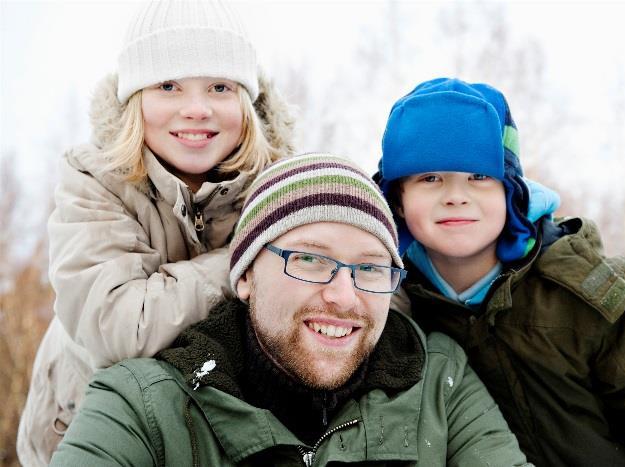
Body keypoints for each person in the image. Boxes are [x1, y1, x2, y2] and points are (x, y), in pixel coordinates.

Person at [49, 153, 530, 466]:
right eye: (310, 260)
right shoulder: (143, 407)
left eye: (369, 269)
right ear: (245, 277)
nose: (344, 296)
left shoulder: (438, 381)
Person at [17, 1, 296, 464]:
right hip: (84, 428)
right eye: (168, 85)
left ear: (246, 102)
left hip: (219, 437)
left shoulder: (283, 187)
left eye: (220, 86)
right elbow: (118, 326)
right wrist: (244, 262)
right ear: (135, 98)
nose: (196, 109)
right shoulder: (95, 179)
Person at [375, 77, 625, 465]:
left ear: (510, 189)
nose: (456, 195)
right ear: (397, 199)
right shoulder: (388, 309)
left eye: (479, 176)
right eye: (430, 178)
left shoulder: (590, 291)